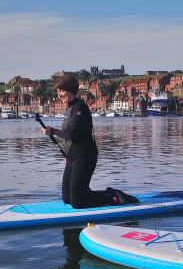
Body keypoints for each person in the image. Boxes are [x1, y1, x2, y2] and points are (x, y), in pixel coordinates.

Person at [42, 75, 139, 209]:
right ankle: (100, 194)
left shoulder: (80, 108)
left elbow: (73, 135)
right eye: (58, 91)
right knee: (67, 199)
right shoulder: (69, 109)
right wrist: (68, 154)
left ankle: (111, 196)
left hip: (85, 157)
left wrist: (52, 131)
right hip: (72, 157)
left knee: (77, 203)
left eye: (62, 91)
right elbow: (68, 137)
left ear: (70, 90)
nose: (59, 95)